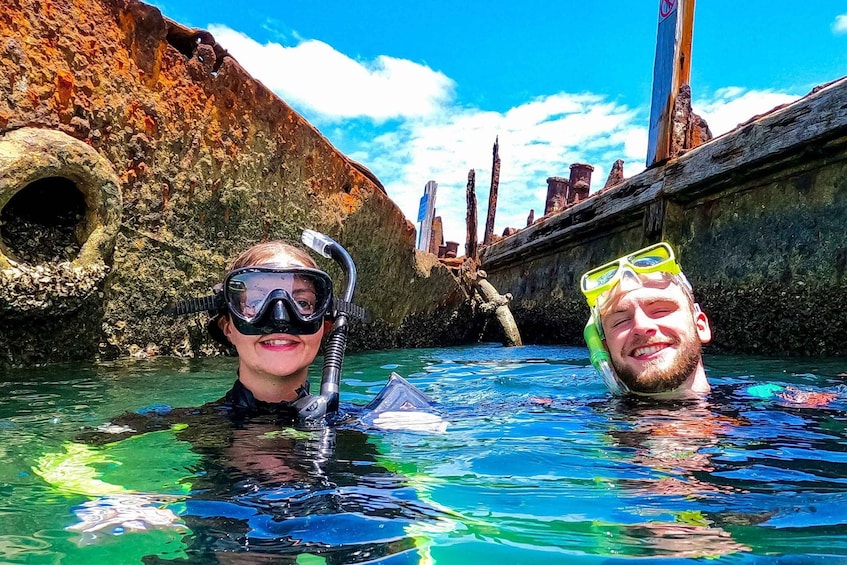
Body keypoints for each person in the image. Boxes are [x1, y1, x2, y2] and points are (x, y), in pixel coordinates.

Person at [579, 242, 712, 397]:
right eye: (620, 321)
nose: (641, 326)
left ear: (700, 326)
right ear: (605, 348)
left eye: (660, 310)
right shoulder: (564, 414)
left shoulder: (745, 409)